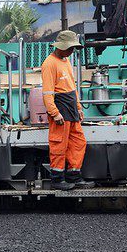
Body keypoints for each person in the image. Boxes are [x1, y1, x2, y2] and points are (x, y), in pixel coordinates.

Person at [41, 30, 94, 191]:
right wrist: (55, 113)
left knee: (78, 142)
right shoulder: (49, 63)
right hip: (60, 107)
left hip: (70, 106)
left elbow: (72, 86)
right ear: (61, 47)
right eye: (70, 48)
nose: (72, 51)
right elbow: (48, 92)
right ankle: (57, 179)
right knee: (59, 144)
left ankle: (74, 176)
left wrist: (78, 107)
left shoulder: (65, 61)